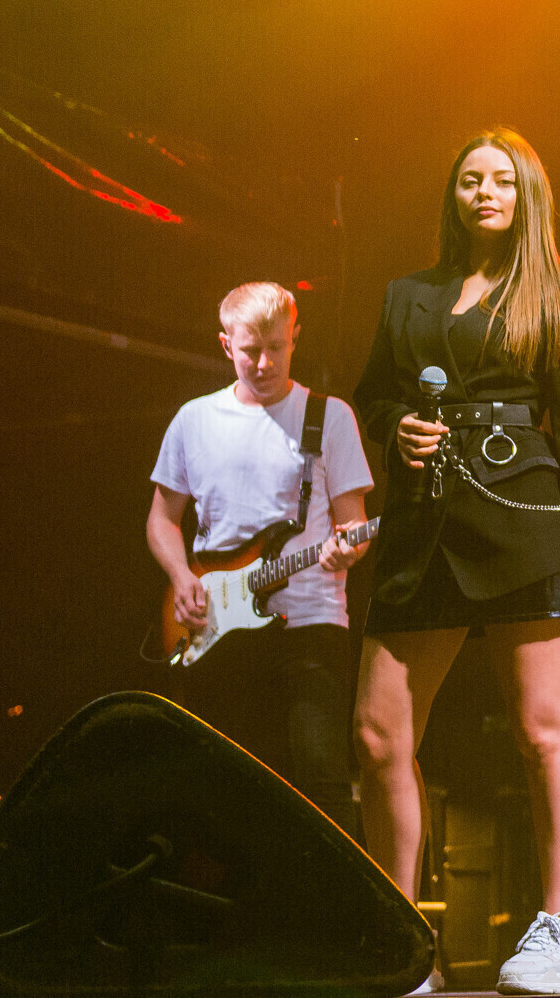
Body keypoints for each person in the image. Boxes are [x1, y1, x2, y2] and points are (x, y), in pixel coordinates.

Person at [350, 129, 560, 996]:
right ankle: (400, 943)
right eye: (470, 179)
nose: (485, 191)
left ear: (527, 193)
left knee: (543, 727)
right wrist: (397, 427)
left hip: (522, 516)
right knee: (378, 734)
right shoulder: (407, 294)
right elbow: (372, 394)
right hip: (422, 522)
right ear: (453, 195)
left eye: (501, 178)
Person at [148, 281, 372, 835]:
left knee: (320, 779)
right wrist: (181, 575)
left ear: (296, 338)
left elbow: (354, 524)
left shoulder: (329, 417)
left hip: (311, 622)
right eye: (251, 350)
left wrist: (348, 548)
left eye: (277, 346)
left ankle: (329, 892)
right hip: (215, 627)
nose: (265, 362)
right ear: (226, 345)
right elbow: (161, 519)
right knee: (220, 785)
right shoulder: (194, 419)